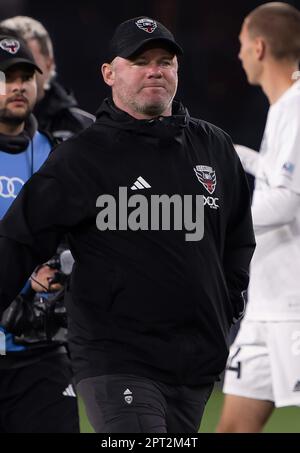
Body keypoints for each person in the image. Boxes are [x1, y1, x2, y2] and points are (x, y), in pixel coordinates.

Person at [0, 17, 255, 433]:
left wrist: (226, 305)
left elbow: (238, 240)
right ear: (109, 73)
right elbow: (17, 239)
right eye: (140, 60)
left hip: (193, 363)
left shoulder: (213, 146)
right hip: (116, 359)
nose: (155, 69)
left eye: (165, 61)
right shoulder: (82, 156)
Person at [217, 2, 300, 433]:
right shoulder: (283, 106)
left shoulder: (297, 106)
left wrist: (219, 221)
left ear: (260, 46)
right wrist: (230, 151)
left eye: (242, 44)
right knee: (231, 429)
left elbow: (287, 202)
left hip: (294, 309)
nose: (239, 54)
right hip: (267, 306)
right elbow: (279, 179)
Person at [0, 35, 79, 432]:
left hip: (40, 351)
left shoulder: (60, 153)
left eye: (25, 76)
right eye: (6, 76)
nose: (18, 85)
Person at [0, 16, 94, 141]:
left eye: (27, 63)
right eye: (7, 75)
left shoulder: (84, 128)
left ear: (49, 65)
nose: (18, 86)